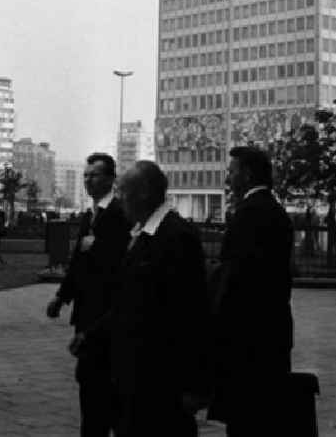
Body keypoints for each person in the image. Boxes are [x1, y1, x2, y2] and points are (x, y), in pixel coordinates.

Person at [111, 160, 210, 437]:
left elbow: (192, 313)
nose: (119, 199)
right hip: (137, 376)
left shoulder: (175, 237)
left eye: (123, 191)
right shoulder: (143, 234)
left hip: (161, 380)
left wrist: (195, 385)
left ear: (143, 192)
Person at [209, 146, 294, 436]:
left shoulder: (248, 214)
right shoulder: (274, 211)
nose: (228, 178)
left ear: (246, 175)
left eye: (231, 172)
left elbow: (235, 279)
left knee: (245, 420)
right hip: (272, 331)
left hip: (247, 337)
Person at [46, 152, 130, 437]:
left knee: (99, 384)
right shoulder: (90, 215)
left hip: (104, 314)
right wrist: (62, 296)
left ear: (110, 179)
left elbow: (113, 267)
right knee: (89, 382)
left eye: (94, 175)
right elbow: (78, 263)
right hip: (86, 311)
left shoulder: (118, 215)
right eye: (85, 175)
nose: (88, 180)